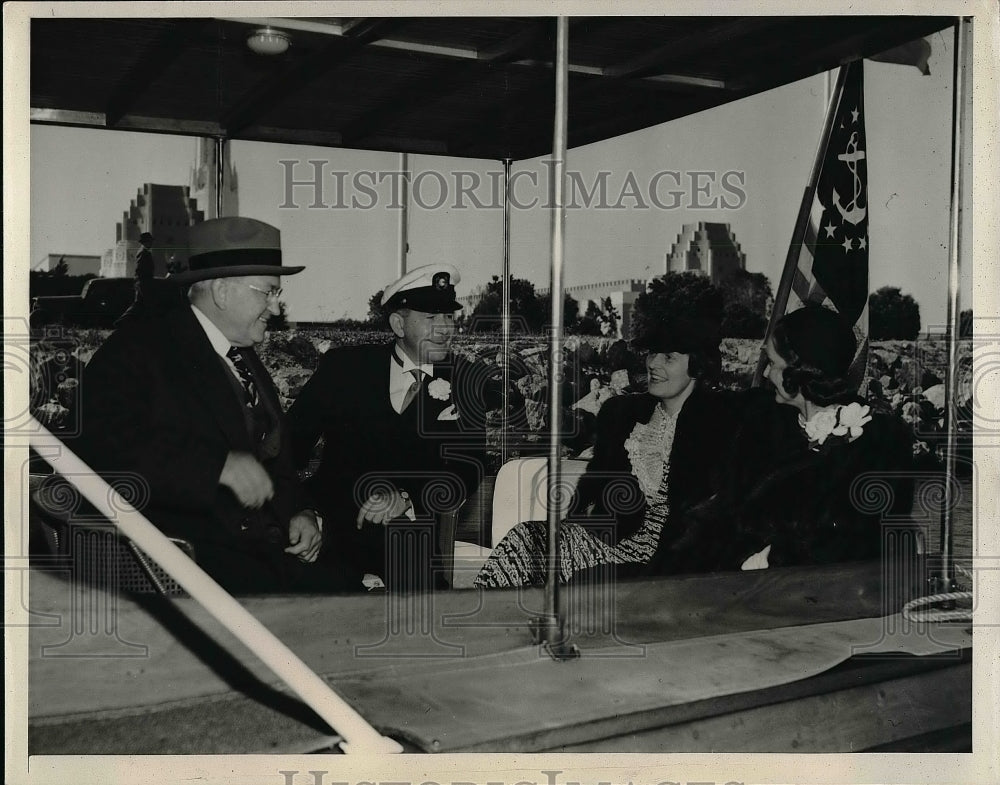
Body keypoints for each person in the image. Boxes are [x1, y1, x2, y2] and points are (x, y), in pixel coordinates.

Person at [73, 217, 362, 594]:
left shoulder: (242, 355)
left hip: (258, 558)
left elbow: (276, 464)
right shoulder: (139, 350)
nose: (276, 308)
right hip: (185, 573)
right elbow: (97, 452)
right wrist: (214, 468)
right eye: (269, 292)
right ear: (223, 291)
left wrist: (302, 513)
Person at [474, 314, 741, 588]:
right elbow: (591, 485)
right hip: (613, 542)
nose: (653, 364)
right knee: (526, 540)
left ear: (697, 366)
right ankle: (486, 623)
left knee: (531, 550)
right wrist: (570, 530)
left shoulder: (718, 426)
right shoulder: (624, 415)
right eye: (652, 354)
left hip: (668, 559)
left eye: (669, 357)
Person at [656, 304, 916, 573]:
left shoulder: (880, 441)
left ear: (801, 370)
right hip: (734, 585)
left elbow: (862, 538)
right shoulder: (762, 420)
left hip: (825, 594)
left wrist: (770, 560)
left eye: (772, 363)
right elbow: (724, 509)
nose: (766, 373)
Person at [287, 265, 493, 591]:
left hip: (408, 537)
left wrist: (408, 497)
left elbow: (470, 465)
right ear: (398, 323)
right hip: (331, 531)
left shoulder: (466, 380)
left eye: (449, 318)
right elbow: (287, 446)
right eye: (431, 318)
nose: (445, 329)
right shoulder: (346, 369)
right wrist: (301, 509)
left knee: (421, 616)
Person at [133, 231, 155, 303]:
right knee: (143, 303)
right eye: (150, 241)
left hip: (143, 282)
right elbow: (139, 268)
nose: (151, 243)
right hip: (144, 283)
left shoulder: (144, 252)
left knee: (140, 304)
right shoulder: (143, 252)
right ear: (145, 242)